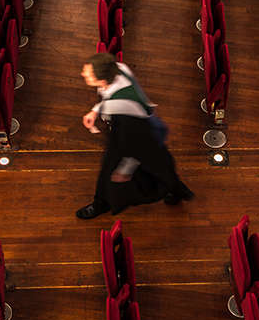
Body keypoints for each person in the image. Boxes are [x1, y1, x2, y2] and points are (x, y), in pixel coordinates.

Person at [76, 53, 194, 219]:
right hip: (145, 129)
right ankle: (177, 191)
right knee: (162, 167)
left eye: (88, 73)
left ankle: (101, 203)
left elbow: (132, 141)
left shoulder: (118, 109)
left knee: (110, 173)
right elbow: (110, 94)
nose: (83, 74)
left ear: (102, 79)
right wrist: (96, 110)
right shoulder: (120, 69)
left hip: (134, 138)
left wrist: (125, 168)